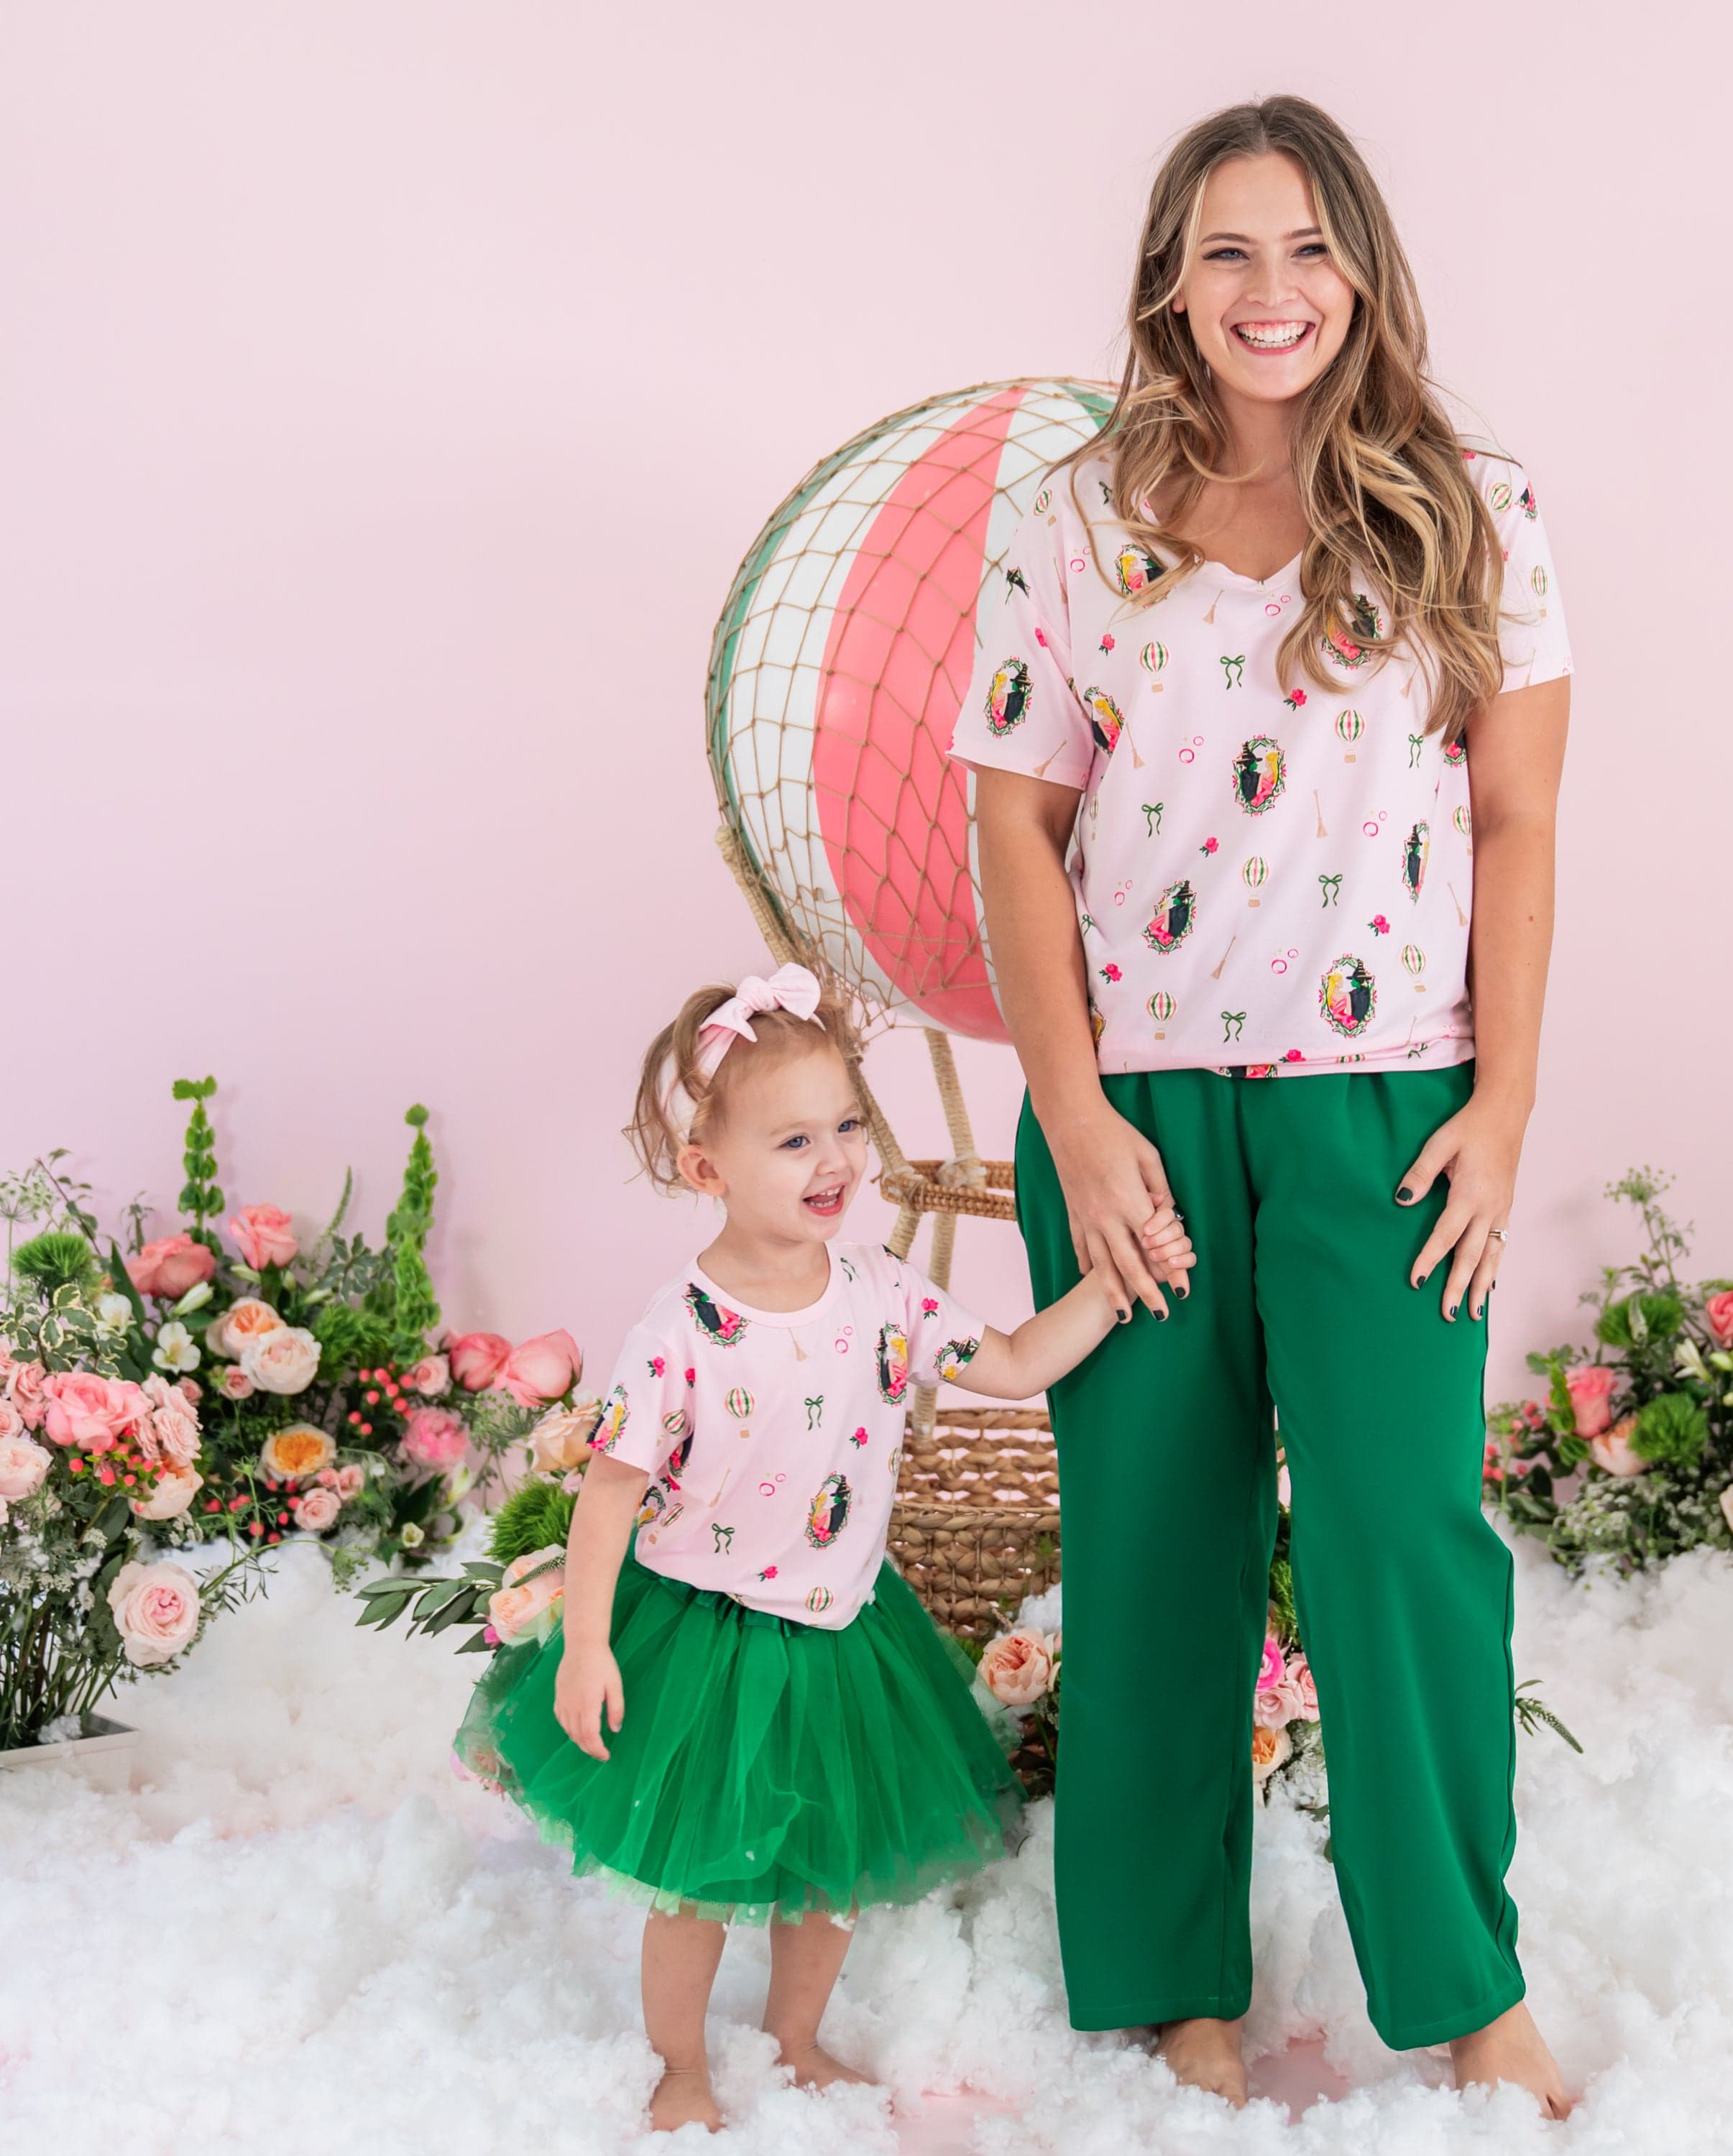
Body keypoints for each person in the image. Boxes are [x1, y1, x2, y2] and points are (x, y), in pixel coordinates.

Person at [948, 96, 1575, 2117]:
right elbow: (1015, 832)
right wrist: (1076, 1109)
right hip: (1133, 1108)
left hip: (1384, 1113)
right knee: (1152, 1542)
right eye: (1227, 252)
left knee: (1402, 1539)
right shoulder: (1070, 520)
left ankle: (1467, 1989)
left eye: (1306, 249)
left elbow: (1518, 819)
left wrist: (1502, 1107)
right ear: (1169, 281)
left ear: (1363, 271)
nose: (1270, 292)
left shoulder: (1477, 508)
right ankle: (1169, 1981)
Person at [454, 964, 1193, 2135]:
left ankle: (795, 2037)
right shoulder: (677, 1335)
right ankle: (681, 2061)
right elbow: (606, 1499)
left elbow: (1005, 1364)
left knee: (833, 1858)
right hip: (703, 1631)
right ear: (709, 1170)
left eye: (849, 1124)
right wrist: (588, 1641)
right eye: (795, 1140)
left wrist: (1111, 1288)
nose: (837, 1159)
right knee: (695, 1871)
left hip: (846, 1623)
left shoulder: (879, 1288)